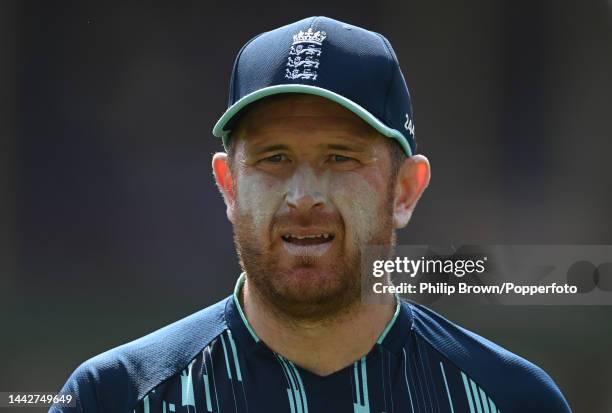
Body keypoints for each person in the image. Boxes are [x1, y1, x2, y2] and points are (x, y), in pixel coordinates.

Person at [51, 16, 572, 413]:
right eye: (274, 158)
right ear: (229, 186)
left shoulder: (513, 398)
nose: (303, 196)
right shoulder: (114, 396)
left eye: (339, 158)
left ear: (405, 192)